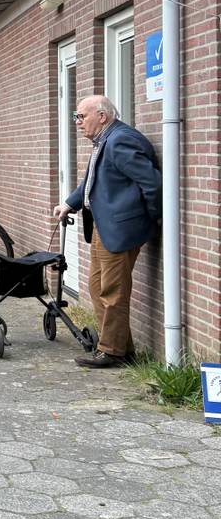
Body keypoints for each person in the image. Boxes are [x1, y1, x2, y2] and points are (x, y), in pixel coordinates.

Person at [52, 95, 161, 369]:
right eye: (76, 117)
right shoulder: (105, 140)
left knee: (112, 290)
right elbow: (91, 181)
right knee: (97, 286)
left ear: (102, 116)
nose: (77, 122)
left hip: (121, 228)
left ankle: (112, 351)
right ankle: (121, 347)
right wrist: (69, 204)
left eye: (81, 116)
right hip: (104, 226)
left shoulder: (121, 140)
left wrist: (154, 218)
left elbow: (152, 184)